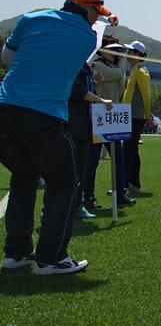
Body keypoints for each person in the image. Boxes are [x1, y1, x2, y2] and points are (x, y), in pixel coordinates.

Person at [0, 0, 114, 275]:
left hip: (4, 109)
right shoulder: (87, 37)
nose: (94, 19)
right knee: (64, 182)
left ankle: (16, 253)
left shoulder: (30, 19)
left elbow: (8, 58)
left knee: (24, 177)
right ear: (87, 9)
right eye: (95, 13)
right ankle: (50, 258)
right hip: (43, 114)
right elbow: (89, 41)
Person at [86, 36, 135, 208]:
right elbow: (116, 75)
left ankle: (120, 192)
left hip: (113, 116)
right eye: (112, 49)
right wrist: (122, 62)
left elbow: (121, 84)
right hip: (98, 115)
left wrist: (120, 63)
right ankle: (88, 195)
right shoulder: (97, 64)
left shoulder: (115, 67)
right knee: (92, 160)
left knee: (118, 157)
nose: (116, 53)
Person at [68, 64, 115, 218]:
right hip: (71, 124)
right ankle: (51, 210)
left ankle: (76, 205)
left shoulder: (85, 67)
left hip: (84, 125)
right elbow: (77, 92)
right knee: (67, 170)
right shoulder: (71, 63)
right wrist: (101, 100)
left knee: (80, 169)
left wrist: (95, 81)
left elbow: (86, 89)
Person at [122, 40, 150, 194]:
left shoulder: (140, 71)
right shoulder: (134, 69)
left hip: (135, 116)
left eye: (131, 51)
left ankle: (129, 184)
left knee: (129, 150)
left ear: (138, 54)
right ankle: (131, 183)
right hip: (129, 115)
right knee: (130, 150)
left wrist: (147, 115)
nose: (128, 54)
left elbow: (146, 95)